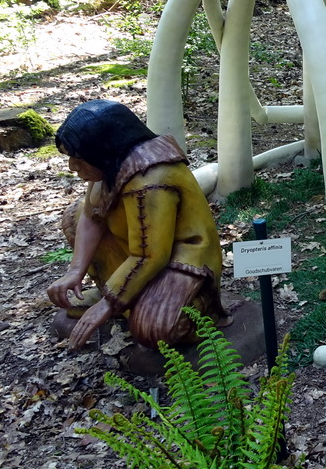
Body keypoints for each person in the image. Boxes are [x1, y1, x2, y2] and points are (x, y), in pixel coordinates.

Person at [47, 100, 227, 351]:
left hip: (180, 259)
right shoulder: (111, 166)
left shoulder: (151, 180)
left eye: (79, 158)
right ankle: (117, 292)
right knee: (73, 217)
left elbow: (150, 255)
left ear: (104, 149)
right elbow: (90, 216)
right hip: (133, 249)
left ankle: (199, 305)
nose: (73, 168)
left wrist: (109, 304)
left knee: (155, 330)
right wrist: (75, 271)